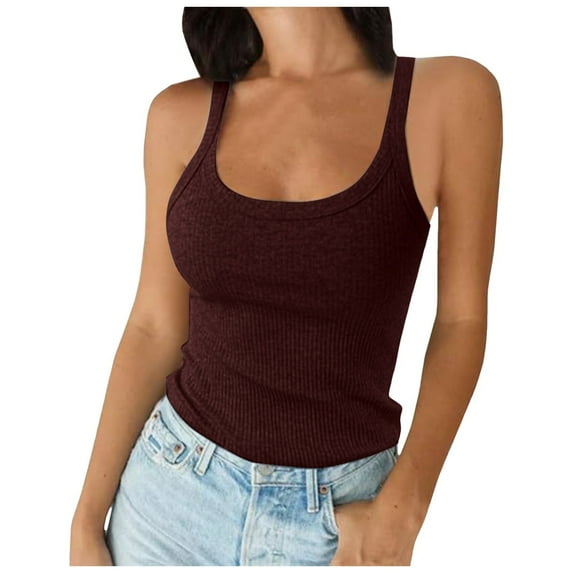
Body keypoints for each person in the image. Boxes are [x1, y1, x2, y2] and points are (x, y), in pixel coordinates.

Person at [69, 7, 502, 567]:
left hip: (342, 522)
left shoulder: (450, 94)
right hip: (167, 503)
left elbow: (462, 320)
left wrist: (406, 506)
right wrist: (86, 518)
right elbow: (154, 326)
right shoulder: (180, 115)